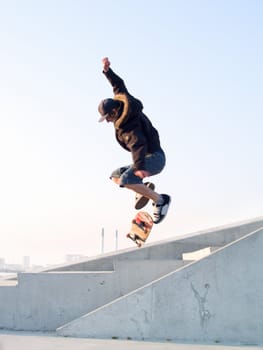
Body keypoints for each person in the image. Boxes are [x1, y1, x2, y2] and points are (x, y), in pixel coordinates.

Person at [98, 57, 171, 224]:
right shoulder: (122, 99)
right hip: (145, 158)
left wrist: (139, 168)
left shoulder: (129, 126)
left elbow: (138, 144)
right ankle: (141, 189)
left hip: (154, 158)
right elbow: (118, 84)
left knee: (126, 180)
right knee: (115, 176)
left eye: (108, 117)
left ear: (115, 111)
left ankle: (160, 200)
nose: (108, 121)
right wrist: (108, 72)